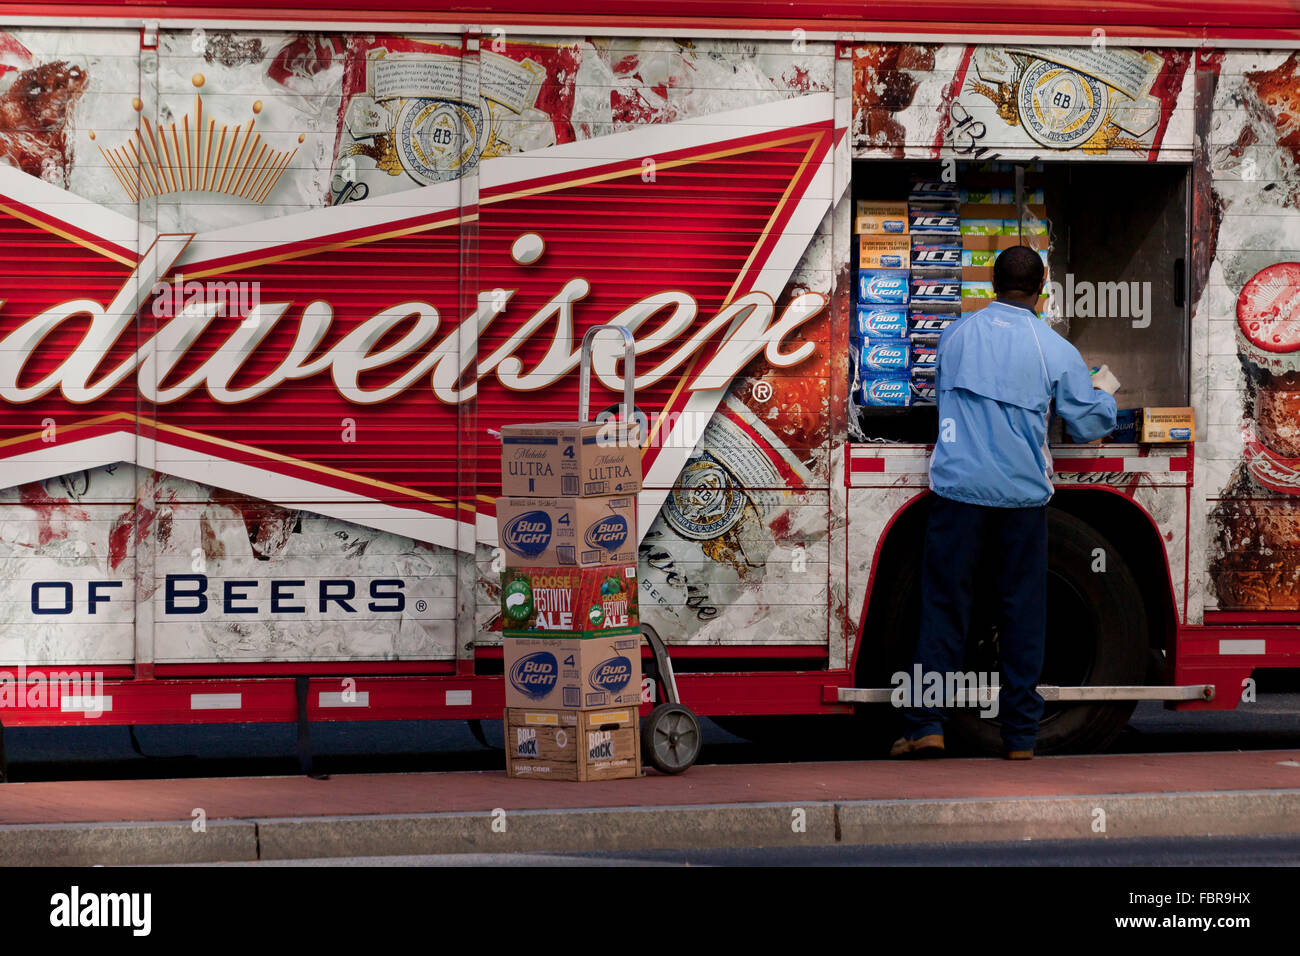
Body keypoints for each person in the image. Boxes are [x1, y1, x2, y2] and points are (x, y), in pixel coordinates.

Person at [890, 245, 1118, 760]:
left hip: (957, 494)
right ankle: (1019, 737)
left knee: (944, 607)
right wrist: (1104, 390)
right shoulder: (1052, 347)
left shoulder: (955, 334)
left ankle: (926, 724)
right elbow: (1087, 423)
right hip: (1019, 500)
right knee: (1021, 613)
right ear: (1042, 290)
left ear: (993, 284)